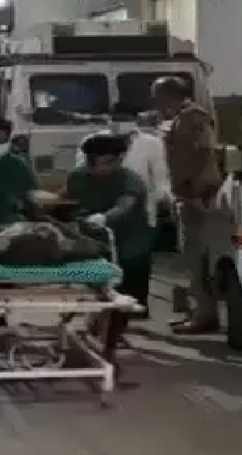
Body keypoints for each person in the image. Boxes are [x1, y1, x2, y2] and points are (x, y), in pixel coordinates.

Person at [75, 103, 172, 316]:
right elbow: (80, 178)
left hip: (137, 214)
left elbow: (160, 178)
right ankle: (106, 309)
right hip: (100, 215)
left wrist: (162, 200)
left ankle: (135, 308)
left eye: (125, 118)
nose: (120, 123)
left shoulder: (151, 145)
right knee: (104, 265)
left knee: (135, 263)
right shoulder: (93, 143)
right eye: (116, 118)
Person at [65, 134, 153, 356]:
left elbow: (124, 206)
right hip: (94, 242)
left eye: (103, 163)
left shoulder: (131, 181)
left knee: (122, 292)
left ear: (118, 159)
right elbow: (66, 199)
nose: (96, 169)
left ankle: (112, 338)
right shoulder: (78, 177)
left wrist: (104, 218)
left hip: (130, 244)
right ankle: (97, 326)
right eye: (91, 163)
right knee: (95, 286)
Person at [152, 76, 223, 334]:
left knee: (198, 258)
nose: (155, 103)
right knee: (191, 258)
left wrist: (195, 191)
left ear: (167, 96)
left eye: (157, 96)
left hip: (197, 196)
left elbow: (205, 151)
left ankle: (204, 315)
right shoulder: (180, 117)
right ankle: (198, 311)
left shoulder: (193, 117)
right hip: (188, 195)